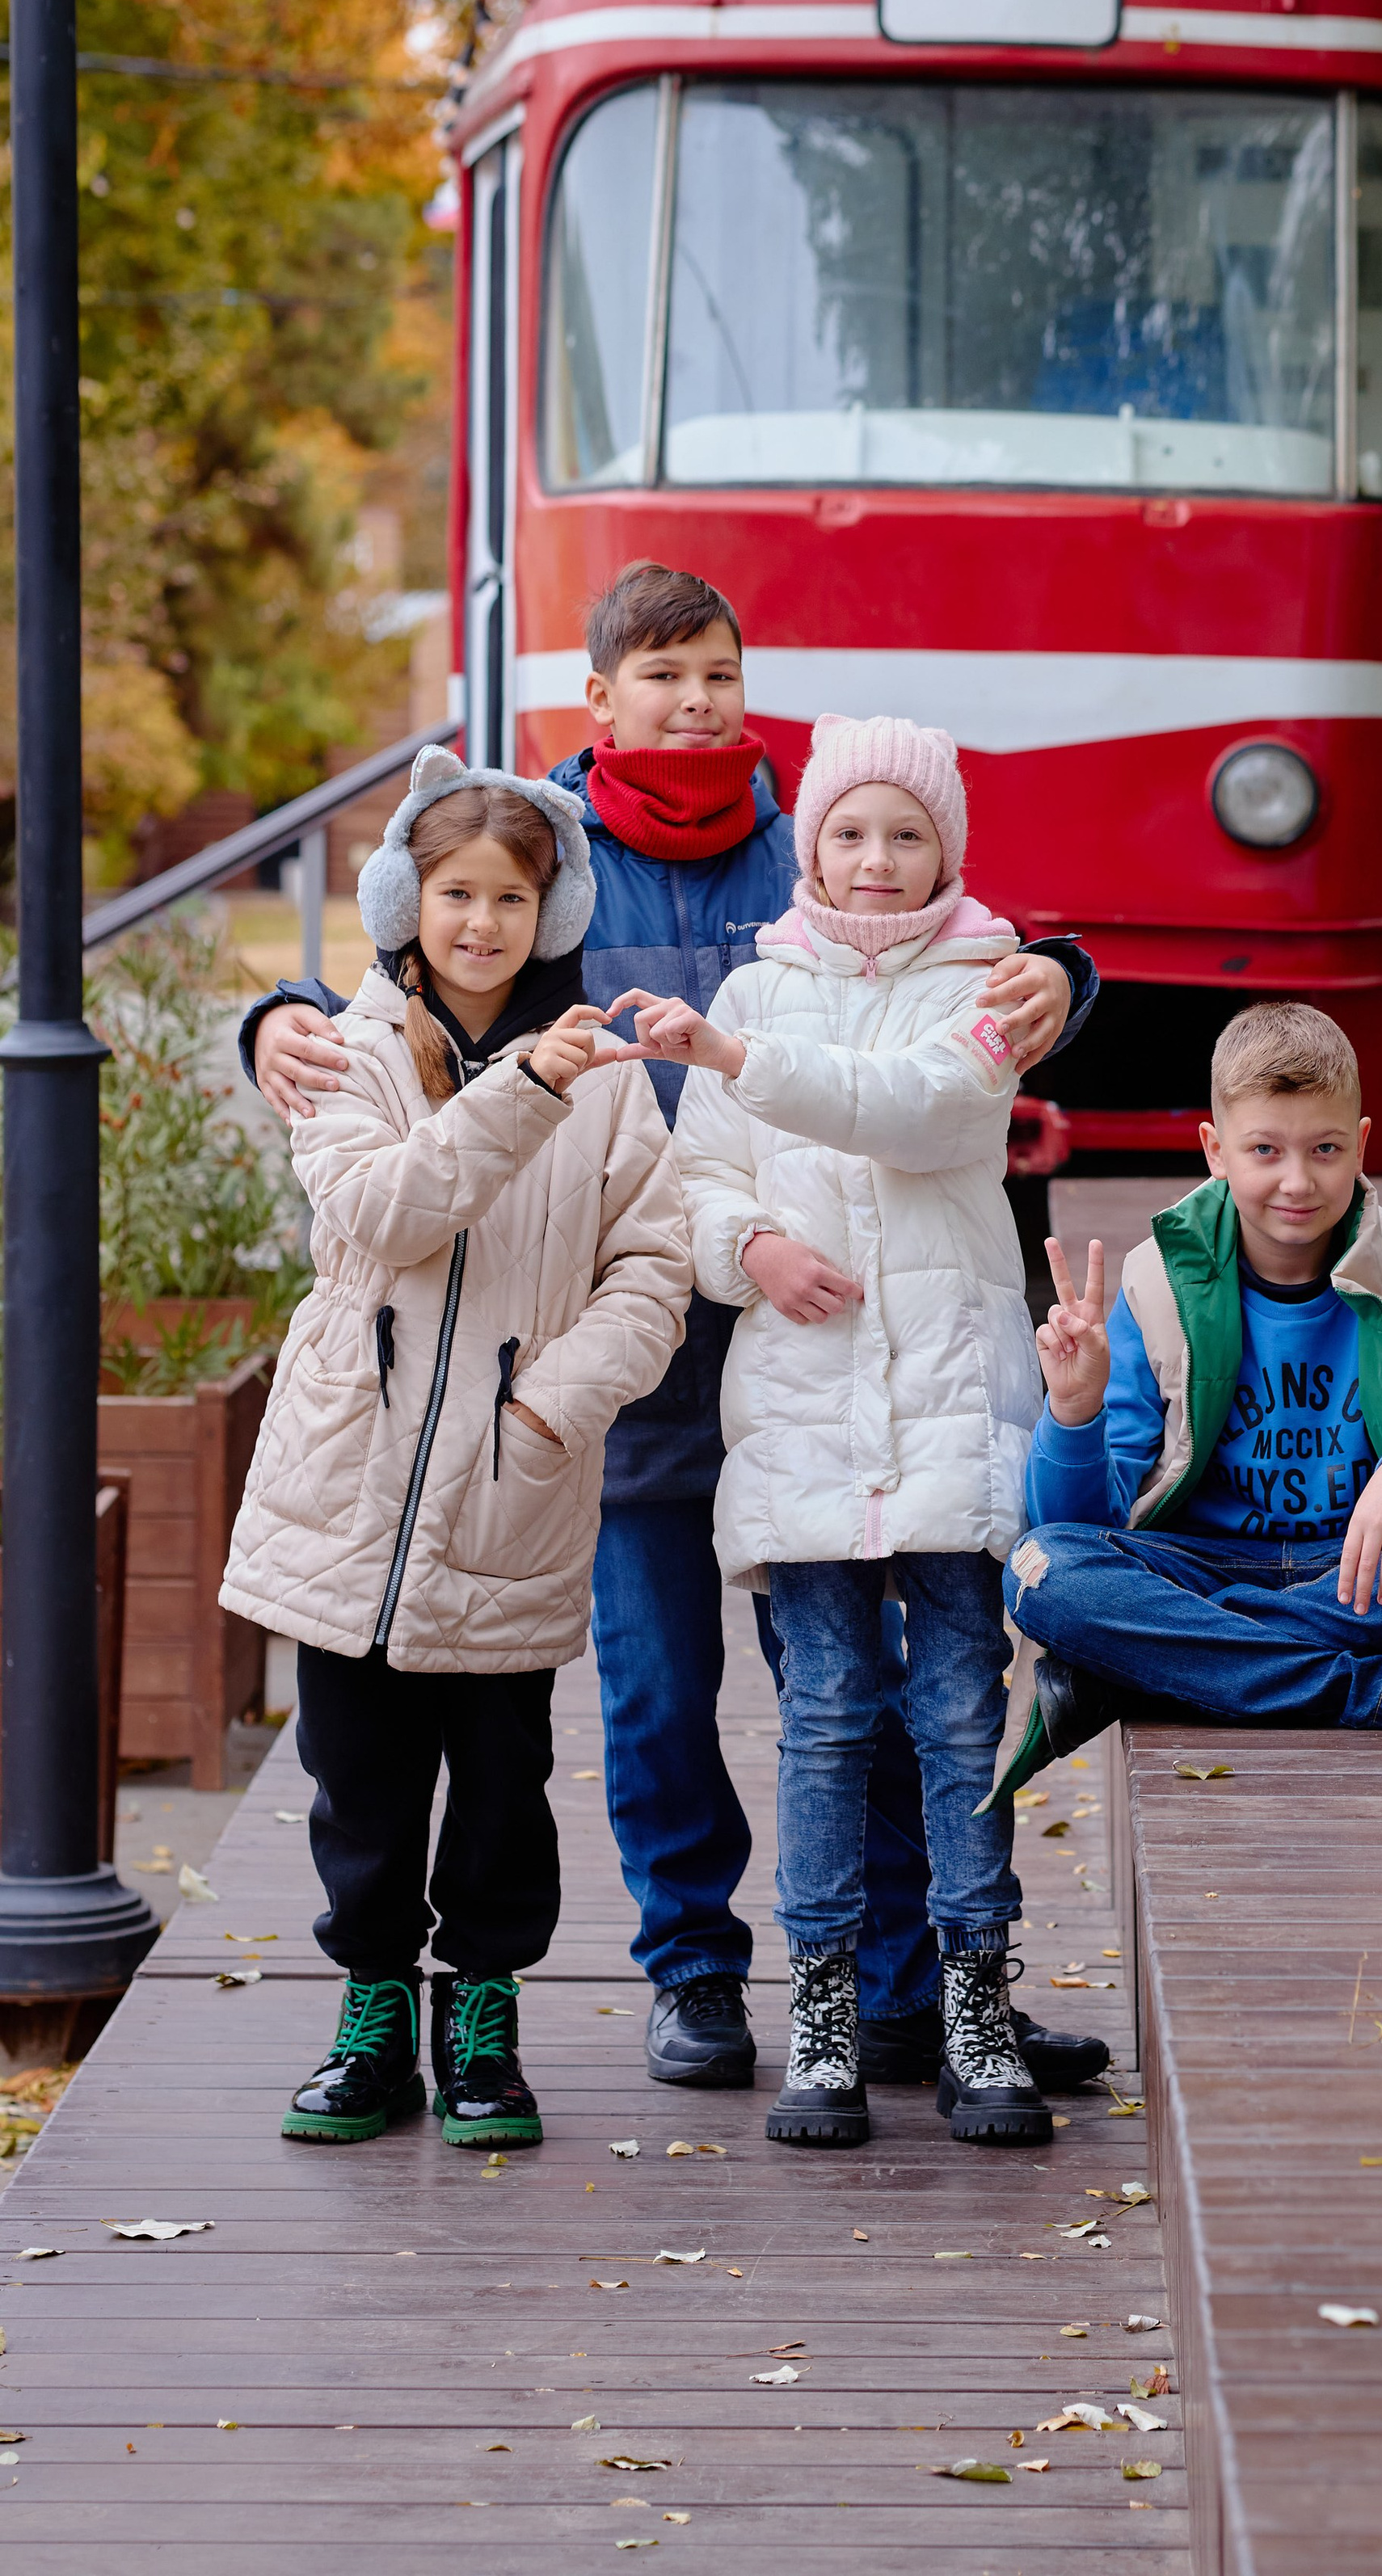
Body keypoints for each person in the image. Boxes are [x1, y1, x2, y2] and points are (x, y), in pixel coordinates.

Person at [238, 562, 1108, 2100]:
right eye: (662, 676)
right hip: (618, 1340)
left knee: (862, 1684)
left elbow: (961, 957)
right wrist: (272, 1017)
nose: (695, 700)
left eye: (719, 670)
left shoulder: (825, 840)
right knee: (654, 1693)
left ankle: (915, 1987)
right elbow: (438, 942)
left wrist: (1067, 974)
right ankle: (697, 1971)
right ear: (603, 697)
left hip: (825, 1353)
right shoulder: (554, 851)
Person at [221, 749, 695, 2149]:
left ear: (549, 914)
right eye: (454, 892)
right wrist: (520, 1093)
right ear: (406, 899)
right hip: (347, 1488)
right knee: (357, 1781)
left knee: (501, 1788)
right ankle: (373, 2008)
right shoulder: (344, 1048)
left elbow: (654, 1268)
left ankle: (480, 2009)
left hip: (512, 1485)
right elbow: (383, 1216)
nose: (481, 921)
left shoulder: (604, 1075)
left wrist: (558, 1401)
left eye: (509, 896)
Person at [659, 715, 1051, 2150]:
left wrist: (738, 1054)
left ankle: (976, 2002)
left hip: (951, 1392)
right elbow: (693, 1178)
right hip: (806, 1402)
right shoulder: (756, 988)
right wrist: (748, 1244)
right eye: (848, 832)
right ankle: (820, 2010)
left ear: (948, 848)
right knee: (822, 1716)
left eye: (907, 832)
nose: (877, 860)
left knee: (960, 1712)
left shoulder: (993, 987)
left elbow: (928, 1117)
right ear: (808, 845)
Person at [988, 1002, 1382, 1798]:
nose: (1298, 1180)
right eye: (1265, 1149)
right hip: (1200, 1564)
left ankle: (1160, 1669)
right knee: (1041, 1569)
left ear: (1360, 1145)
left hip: (1357, 1569)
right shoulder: (1158, 1285)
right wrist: (1074, 1411)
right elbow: (1075, 1521)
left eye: (1324, 1149)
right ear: (1215, 1151)